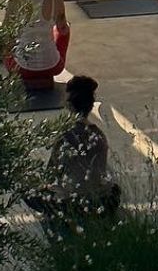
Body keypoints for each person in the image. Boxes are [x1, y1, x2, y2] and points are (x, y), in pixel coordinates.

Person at [31, 75, 119, 230]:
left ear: (69, 104)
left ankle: (54, 221)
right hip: (100, 199)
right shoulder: (99, 136)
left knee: (31, 191)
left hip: (71, 202)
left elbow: (51, 174)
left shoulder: (65, 137)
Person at [4, 0, 70, 90]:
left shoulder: (13, 2)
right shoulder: (56, 0)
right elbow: (62, 29)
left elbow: (5, 36)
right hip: (53, 66)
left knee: (6, 39)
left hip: (20, 68)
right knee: (64, 29)